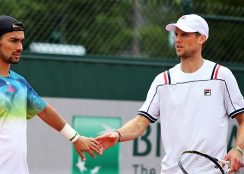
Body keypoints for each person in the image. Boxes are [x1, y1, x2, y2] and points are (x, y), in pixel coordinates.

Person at [95, 14, 244, 173]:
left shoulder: (221, 76)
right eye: (176, 34)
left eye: (184, 34)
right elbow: (139, 123)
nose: (178, 39)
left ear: (201, 39)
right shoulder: (163, 81)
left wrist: (238, 149)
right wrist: (117, 135)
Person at [0, 15, 101, 174]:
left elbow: (43, 110)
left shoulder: (20, 83)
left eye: (21, 41)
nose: (20, 47)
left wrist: (75, 138)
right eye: (13, 40)